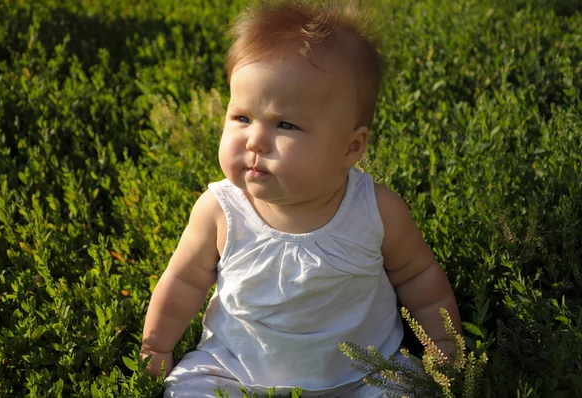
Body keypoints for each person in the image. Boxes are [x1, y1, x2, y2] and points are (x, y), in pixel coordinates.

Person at [140, 0, 462, 396]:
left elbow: (418, 277)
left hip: (365, 370)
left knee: (406, 390)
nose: (255, 139)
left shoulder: (376, 211)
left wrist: (444, 345)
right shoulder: (221, 212)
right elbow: (184, 281)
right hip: (236, 366)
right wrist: (156, 345)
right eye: (241, 117)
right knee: (189, 389)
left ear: (351, 147)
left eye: (286, 124)